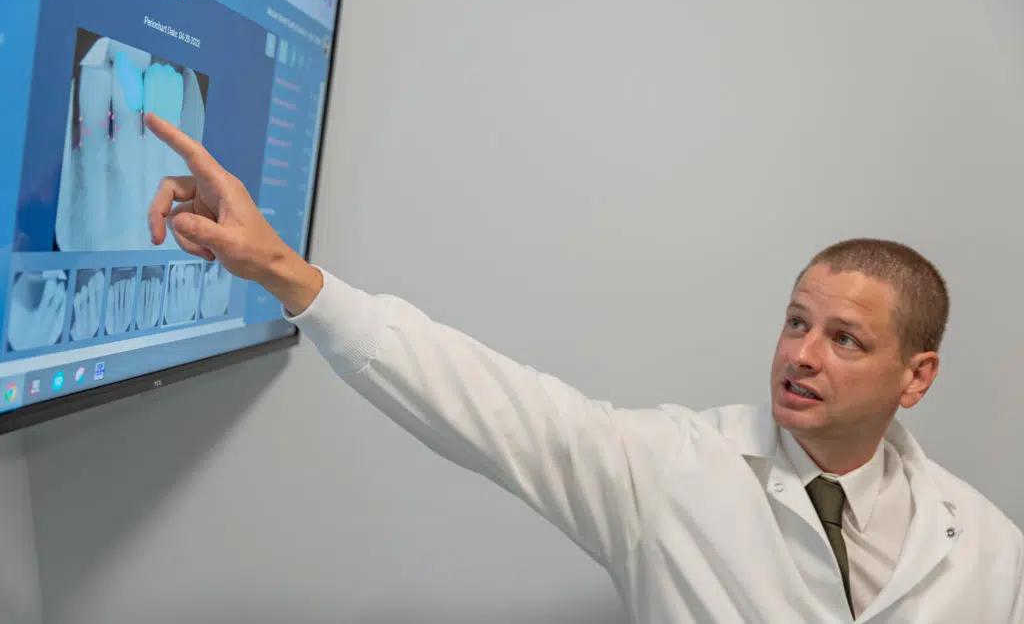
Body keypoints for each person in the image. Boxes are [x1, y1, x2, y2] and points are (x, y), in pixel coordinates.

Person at [142, 112, 1023, 623]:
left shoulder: (986, 551)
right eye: (796, 321)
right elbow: (483, 400)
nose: (800, 354)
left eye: (844, 340)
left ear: (917, 377)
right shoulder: (673, 472)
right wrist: (285, 275)